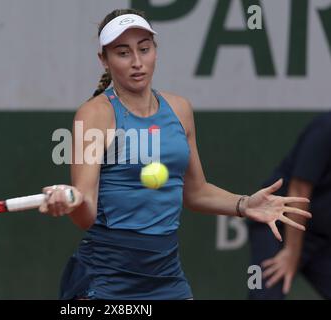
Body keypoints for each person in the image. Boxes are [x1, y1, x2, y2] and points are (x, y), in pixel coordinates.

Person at [38, 9, 312, 300]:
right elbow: (86, 214)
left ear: (155, 50)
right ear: (103, 60)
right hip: (105, 279)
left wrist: (244, 204)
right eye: (122, 53)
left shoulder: (179, 110)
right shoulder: (94, 115)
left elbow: (195, 192)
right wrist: (71, 202)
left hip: (167, 277)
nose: (137, 62)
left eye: (144, 49)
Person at [249, 112, 331, 300]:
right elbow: (299, 189)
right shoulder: (326, 128)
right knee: (263, 294)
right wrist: (291, 252)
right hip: (275, 225)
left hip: (322, 236)